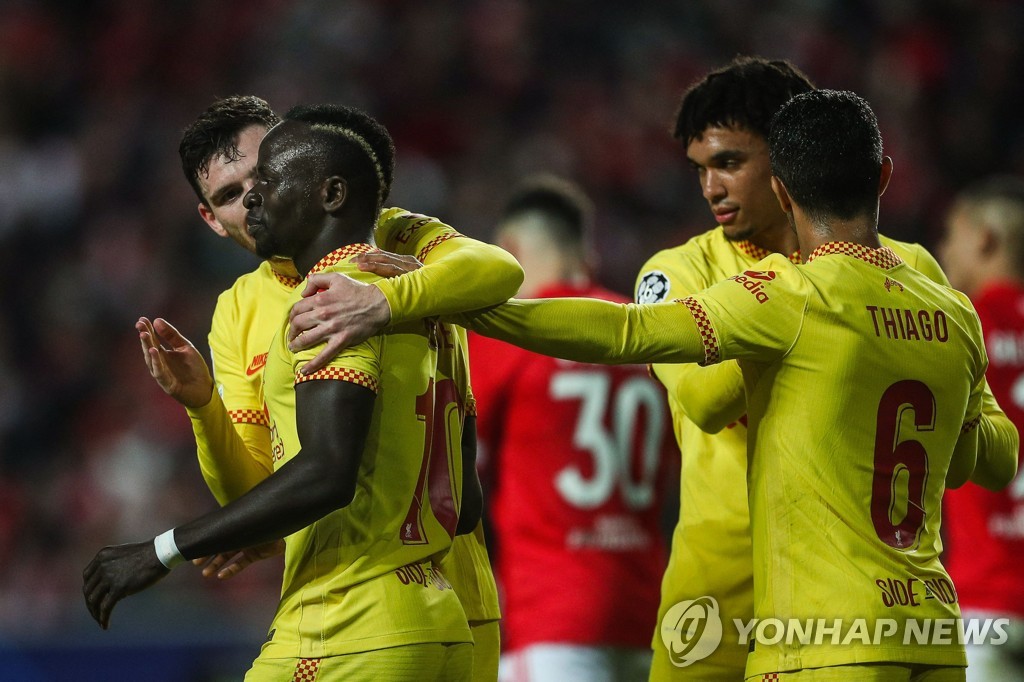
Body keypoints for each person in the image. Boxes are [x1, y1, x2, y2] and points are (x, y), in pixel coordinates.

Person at [287, 57, 1017, 681]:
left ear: (788, 164)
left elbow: (629, 336)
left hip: (818, 607)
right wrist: (824, 346)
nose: (711, 188)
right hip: (730, 588)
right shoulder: (690, 267)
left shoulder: (813, 290)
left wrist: (801, 328)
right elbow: (700, 402)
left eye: (730, 162)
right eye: (700, 169)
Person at [84, 104, 497, 680]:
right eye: (233, 194)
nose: (254, 199)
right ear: (210, 218)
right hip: (430, 607)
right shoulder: (239, 310)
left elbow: (326, 472)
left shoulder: (372, 262)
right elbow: (263, 493)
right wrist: (204, 408)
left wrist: (164, 550)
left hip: (363, 610)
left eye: (266, 176)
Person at [466, 175, 673, 681]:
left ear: (510, 250)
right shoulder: (649, 330)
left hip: (548, 613)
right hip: (649, 613)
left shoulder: (511, 335)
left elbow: (458, 475)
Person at [939, 176, 1024, 681]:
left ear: (986, 238)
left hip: (987, 600)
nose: (945, 248)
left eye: (953, 234)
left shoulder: (961, 326)